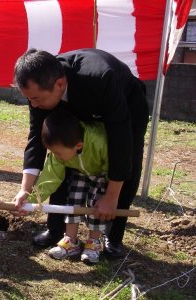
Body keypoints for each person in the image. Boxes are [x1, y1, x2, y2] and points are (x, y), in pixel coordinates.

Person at [13, 48, 149, 258]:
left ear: (59, 84)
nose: (33, 104)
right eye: (29, 99)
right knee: (62, 153)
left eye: (36, 98)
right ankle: (57, 229)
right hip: (75, 105)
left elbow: (120, 141)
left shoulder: (101, 77)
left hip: (126, 107)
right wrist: (25, 189)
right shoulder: (40, 88)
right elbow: (36, 139)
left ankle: (113, 235)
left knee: (126, 161)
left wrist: (111, 197)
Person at [18, 108, 109, 264]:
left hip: (102, 172)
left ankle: (93, 242)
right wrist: (31, 200)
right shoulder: (59, 152)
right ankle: (71, 241)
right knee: (73, 199)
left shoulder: (99, 141)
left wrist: (110, 194)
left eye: (59, 153)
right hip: (80, 171)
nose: (56, 156)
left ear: (79, 145)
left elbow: (113, 165)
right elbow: (50, 177)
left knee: (96, 203)